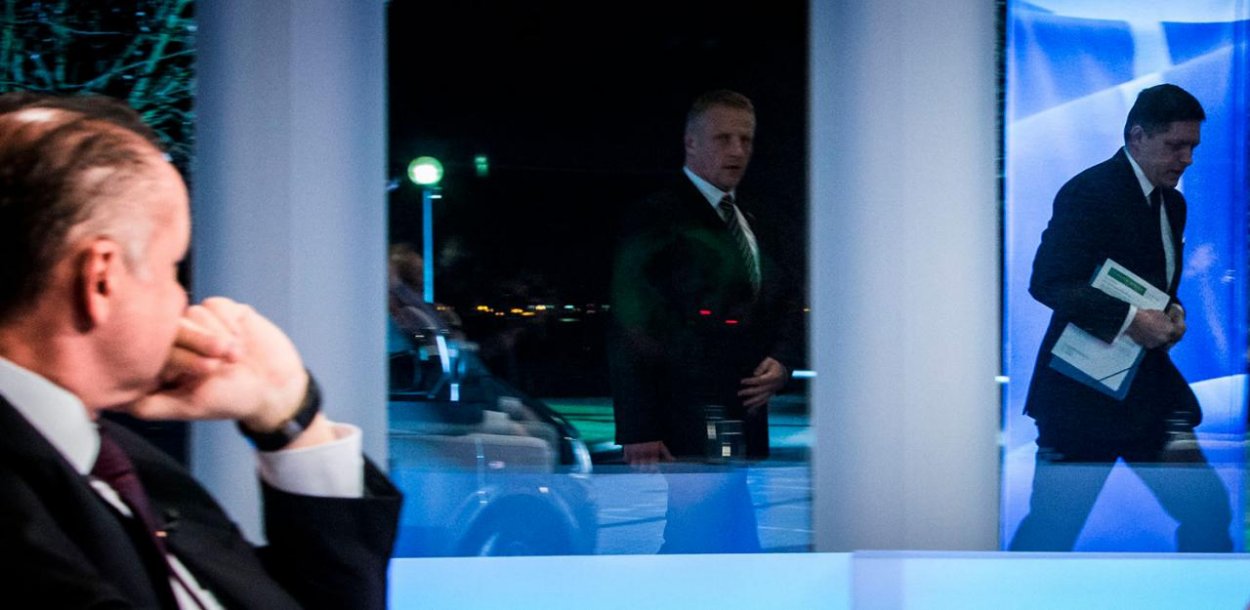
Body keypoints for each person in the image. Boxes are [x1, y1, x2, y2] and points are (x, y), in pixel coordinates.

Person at [0, 93, 401, 607]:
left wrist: (288, 413)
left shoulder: (118, 459)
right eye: (173, 267)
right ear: (102, 279)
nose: (186, 301)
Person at [1009, 84, 1232, 552]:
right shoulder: (1088, 191)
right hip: (1080, 400)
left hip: (1148, 398)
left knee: (1209, 512)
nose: (1187, 158)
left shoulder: (1174, 204)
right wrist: (1132, 319)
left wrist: (1174, 313)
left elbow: (1157, 283)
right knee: (1051, 532)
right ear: (1137, 136)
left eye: (1193, 147)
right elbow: (1049, 281)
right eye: (1176, 145)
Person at [608, 89, 801, 552]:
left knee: (724, 530)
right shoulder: (656, 216)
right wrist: (639, 427)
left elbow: (784, 303)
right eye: (723, 138)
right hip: (686, 413)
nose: (737, 150)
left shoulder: (756, 219)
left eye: (746, 139)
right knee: (702, 533)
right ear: (690, 143)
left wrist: (782, 362)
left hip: (737, 416)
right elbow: (628, 324)